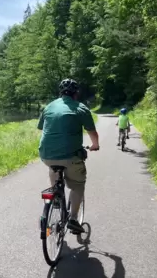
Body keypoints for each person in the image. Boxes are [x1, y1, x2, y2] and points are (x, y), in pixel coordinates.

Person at [37, 78, 100, 233]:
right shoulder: (81, 108)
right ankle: (73, 219)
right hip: (71, 157)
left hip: (46, 154)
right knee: (78, 185)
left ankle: (55, 196)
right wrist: (95, 145)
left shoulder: (49, 106)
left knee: (54, 168)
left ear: (60, 92)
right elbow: (92, 132)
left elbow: (41, 128)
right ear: (76, 93)